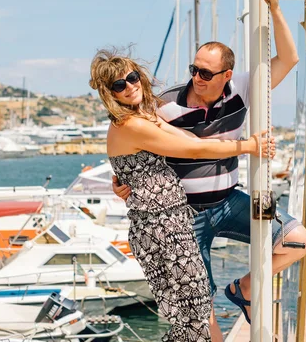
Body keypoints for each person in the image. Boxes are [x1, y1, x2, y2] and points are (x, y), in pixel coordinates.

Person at [112, 0, 306, 339]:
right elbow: (132, 142)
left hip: (229, 201)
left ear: (227, 75)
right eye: (194, 70)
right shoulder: (166, 105)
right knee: (201, 312)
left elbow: (289, 57)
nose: (197, 78)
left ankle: (244, 289)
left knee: (297, 239)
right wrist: (123, 182)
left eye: (206, 73)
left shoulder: (244, 90)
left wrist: (276, 8)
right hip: (185, 217)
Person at [89, 49, 275, 342]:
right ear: (109, 93)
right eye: (118, 85)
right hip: (159, 228)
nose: (129, 86)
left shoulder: (144, 116)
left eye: (132, 77)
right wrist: (247, 147)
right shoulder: (132, 125)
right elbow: (193, 151)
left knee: (194, 312)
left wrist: (234, 143)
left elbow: (190, 139)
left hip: (172, 222)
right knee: (193, 316)